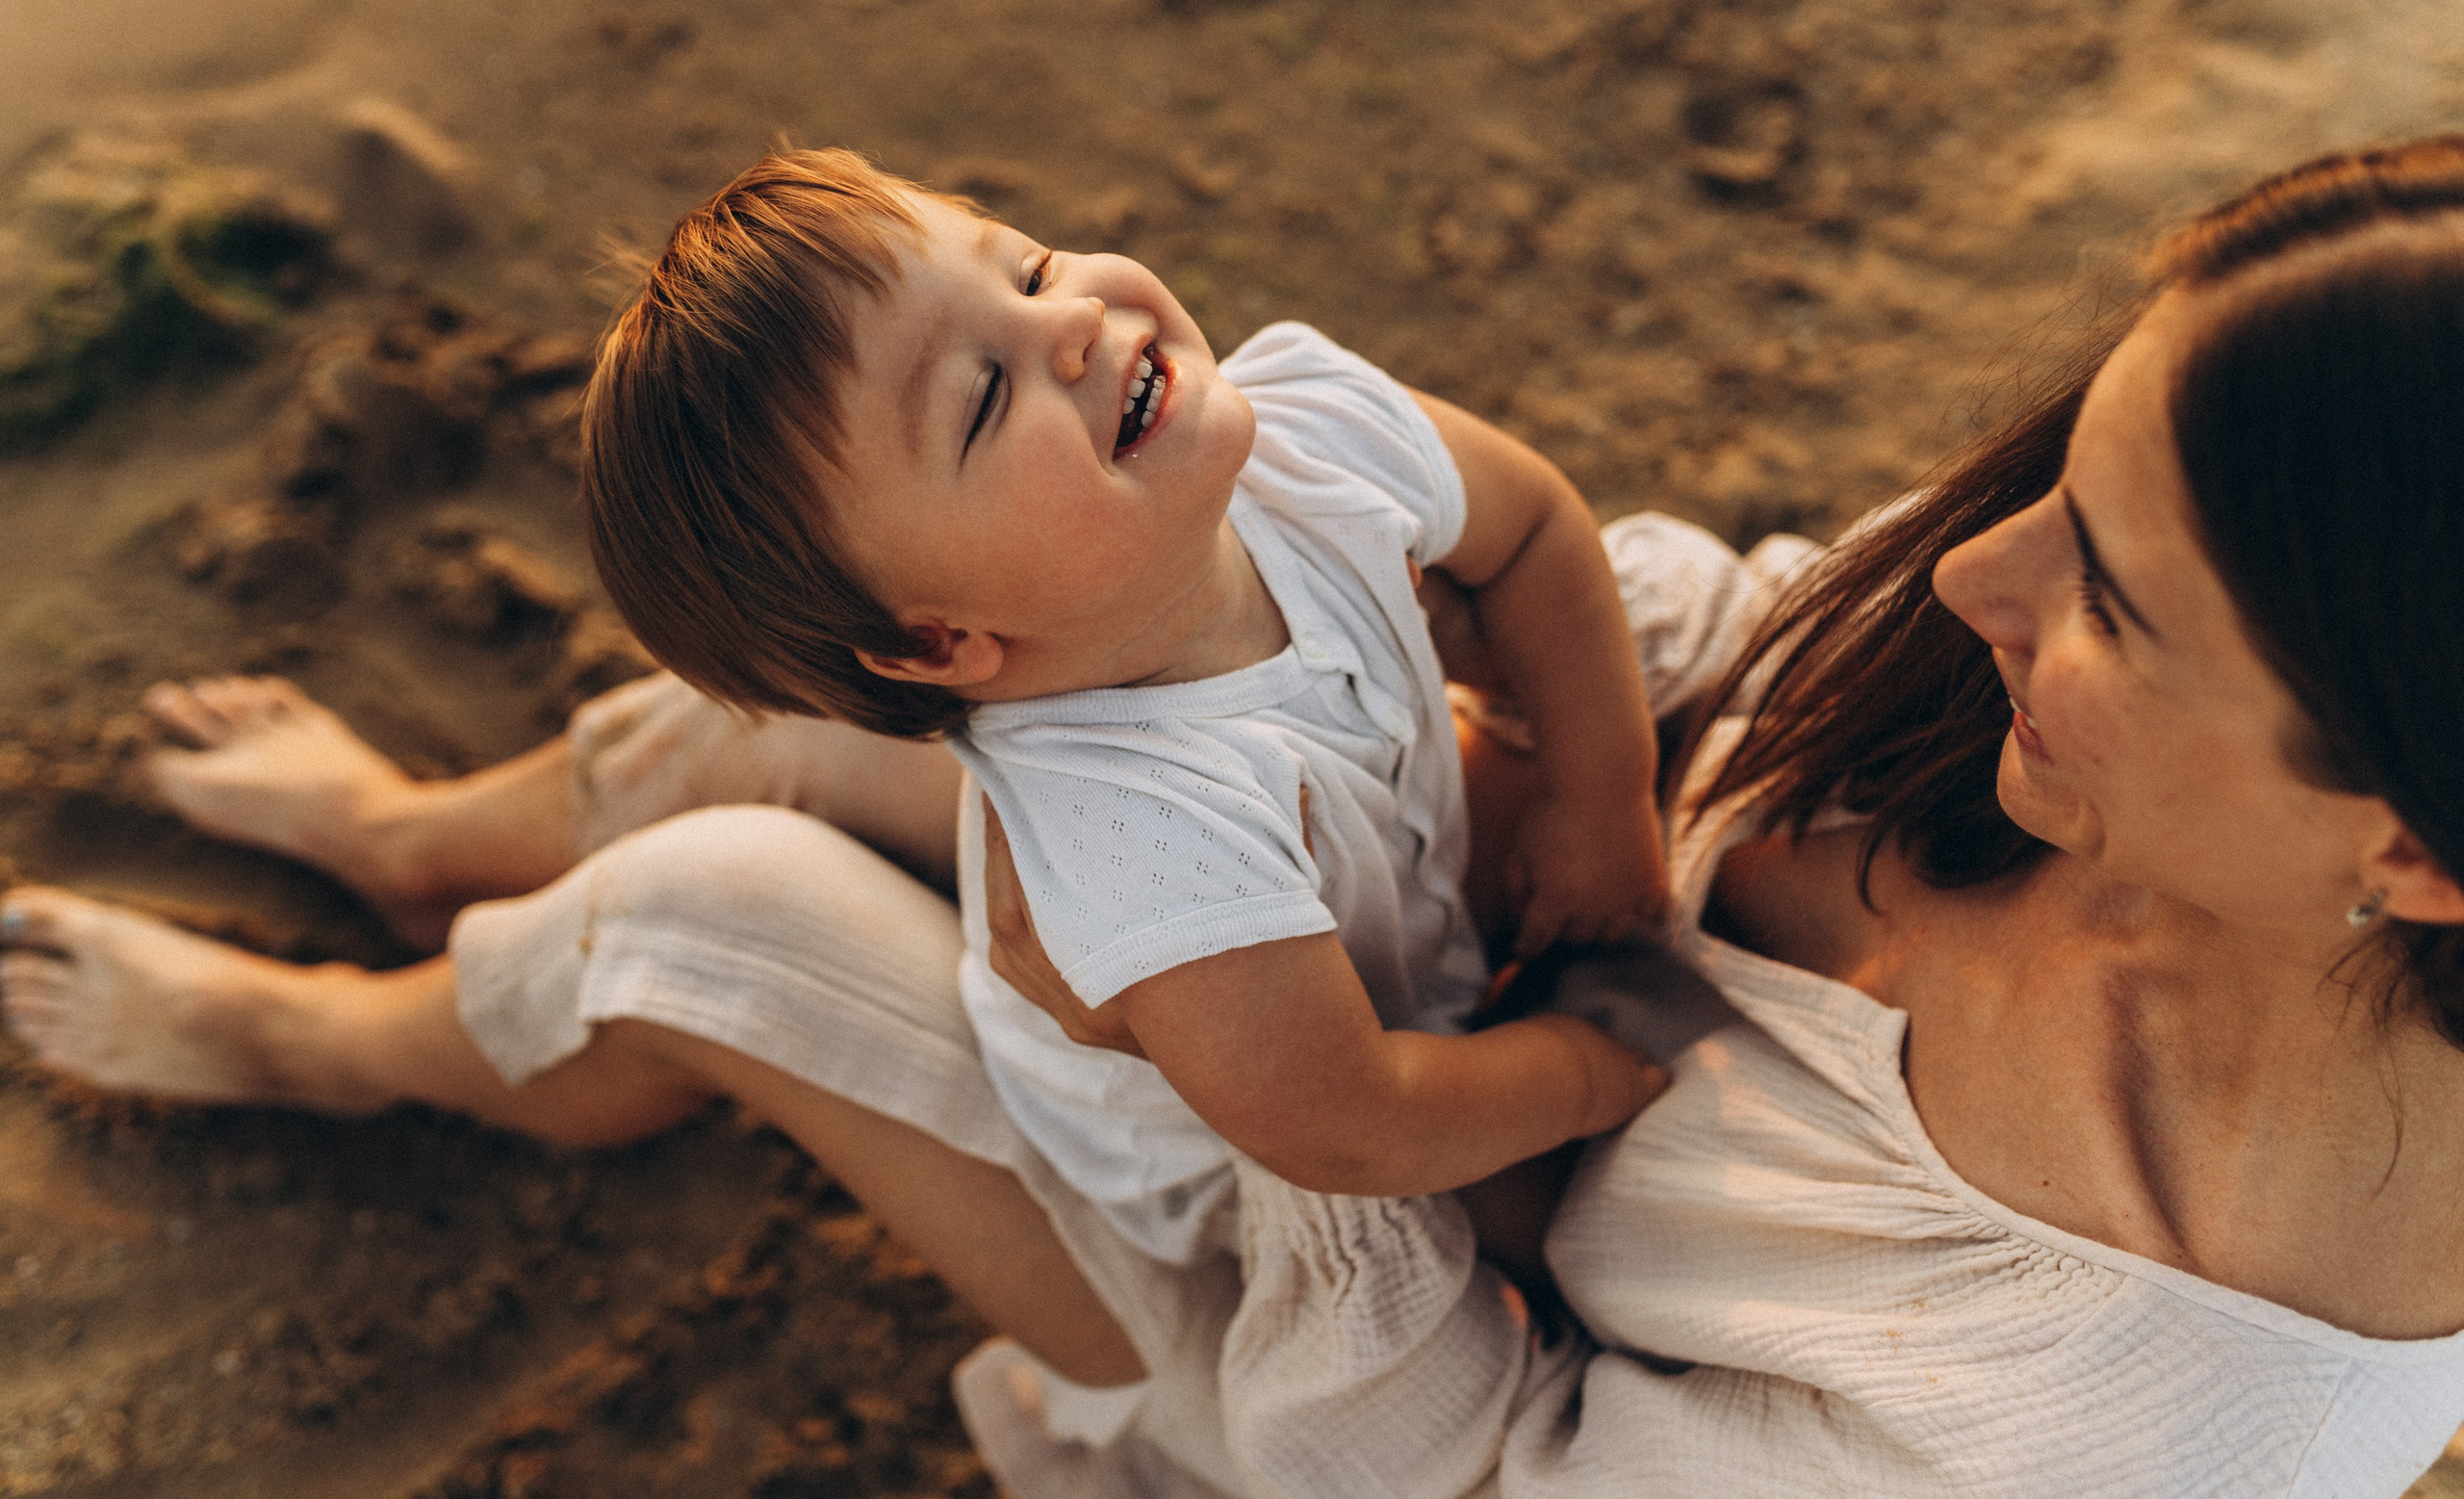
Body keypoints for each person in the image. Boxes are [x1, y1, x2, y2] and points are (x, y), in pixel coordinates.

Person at [9, 134, 2462, 1496]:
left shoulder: (2137, 1421)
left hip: (1309, 1277)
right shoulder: (2177, 592)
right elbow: (1637, 596)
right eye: (2054, 473)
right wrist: (1564, 819)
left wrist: (1487, 1084)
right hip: (1356, 893)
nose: (1951, 573)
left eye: (2104, 594)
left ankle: (325, 1033)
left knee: (704, 897)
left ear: (2407, 849)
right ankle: (424, 829)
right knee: (703, 728)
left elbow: (1435, 1382)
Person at [576, 148, 1670, 1272]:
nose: (1076, 322)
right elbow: (1353, 1125)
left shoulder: (1309, 432)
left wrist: (1602, 795)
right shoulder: (1138, 834)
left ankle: (631, 774)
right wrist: (1577, 1074)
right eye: (985, 396)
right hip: (1226, 1150)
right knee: (1546, 1238)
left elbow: (1531, 527)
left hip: (1379, 943)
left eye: (1031, 269)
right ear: (936, 639)